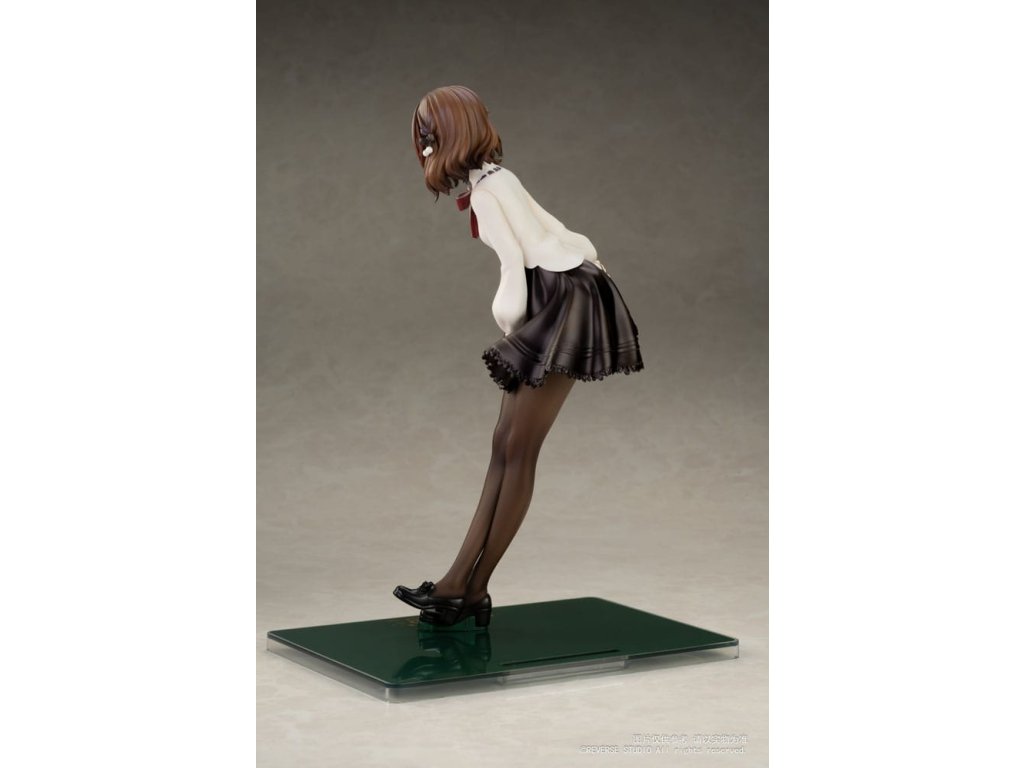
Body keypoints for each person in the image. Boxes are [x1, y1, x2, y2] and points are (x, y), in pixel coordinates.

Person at [393, 85, 644, 628]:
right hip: (570, 287)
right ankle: (461, 586)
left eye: (427, 132)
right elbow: (561, 230)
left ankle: (469, 586)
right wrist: (593, 265)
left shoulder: (488, 191)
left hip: (559, 300)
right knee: (505, 444)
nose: (423, 142)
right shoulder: (498, 179)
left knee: (519, 448)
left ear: (445, 134)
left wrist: (509, 322)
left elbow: (513, 262)